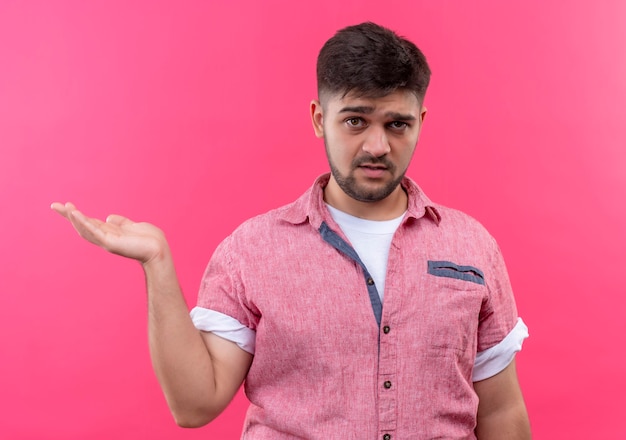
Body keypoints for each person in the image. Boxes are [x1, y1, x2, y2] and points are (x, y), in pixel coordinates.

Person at [52, 22, 531, 439]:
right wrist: (156, 263)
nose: (377, 145)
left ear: (420, 124)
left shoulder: (472, 245)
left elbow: (502, 410)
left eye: (397, 124)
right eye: (356, 120)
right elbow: (195, 404)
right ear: (320, 120)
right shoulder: (252, 250)